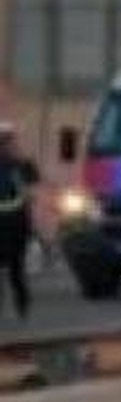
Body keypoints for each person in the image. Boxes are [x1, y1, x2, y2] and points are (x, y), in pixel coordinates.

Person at [0, 123, 38, 321]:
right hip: (12, 223)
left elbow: (33, 182)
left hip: (17, 224)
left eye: (7, 140)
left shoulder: (20, 165)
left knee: (17, 270)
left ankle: (22, 308)